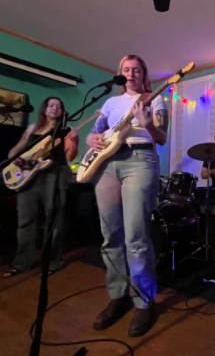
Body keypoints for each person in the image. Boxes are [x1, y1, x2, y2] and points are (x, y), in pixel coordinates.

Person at [86, 54, 168, 337]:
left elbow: (161, 137)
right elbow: (95, 134)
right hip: (107, 164)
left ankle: (144, 302)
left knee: (136, 237)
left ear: (144, 74)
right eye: (126, 69)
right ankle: (118, 295)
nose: (131, 74)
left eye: (136, 70)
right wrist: (90, 139)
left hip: (139, 161)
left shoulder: (154, 99)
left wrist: (148, 123)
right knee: (110, 235)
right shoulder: (111, 103)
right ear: (120, 73)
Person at [3, 97, 79, 278]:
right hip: (28, 176)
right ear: (44, 109)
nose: (55, 108)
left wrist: (74, 141)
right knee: (25, 220)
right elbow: (15, 149)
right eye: (51, 105)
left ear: (63, 111)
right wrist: (15, 159)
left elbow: (70, 157)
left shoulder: (66, 131)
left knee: (53, 221)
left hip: (55, 174)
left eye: (59, 106)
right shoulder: (33, 128)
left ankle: (51, 262)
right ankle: (21, 263)